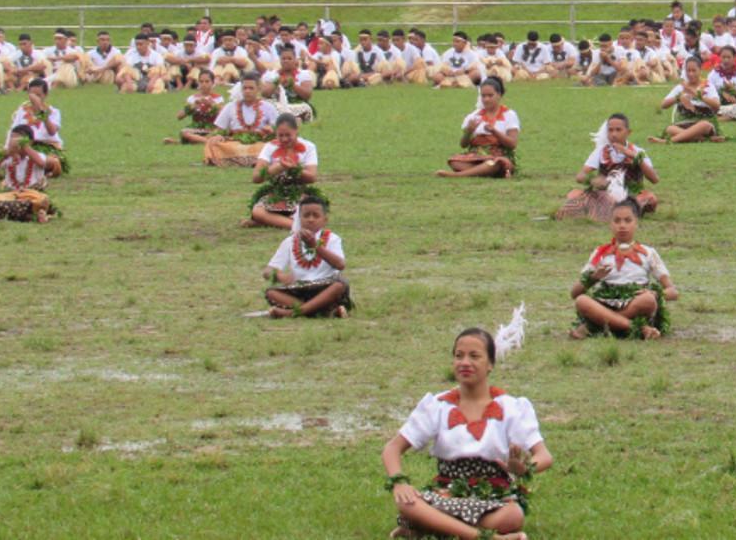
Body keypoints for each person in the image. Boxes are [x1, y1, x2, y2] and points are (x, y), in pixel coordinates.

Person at [381, 327, 552, 540]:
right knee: (407, 503)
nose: (464, 362)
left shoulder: (511, 407)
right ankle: (488, 538)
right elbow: (392, 448)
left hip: (492, 496)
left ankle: (432, 527)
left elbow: (544, 456)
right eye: (458, 356)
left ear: (490, 364)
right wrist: (400, 482)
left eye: (474, 356)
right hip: (446, 494)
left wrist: (523, 468)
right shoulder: (438, 405)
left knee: (513, 516)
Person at [569, 199, 679, 339]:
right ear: (610, 224)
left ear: (636, 223)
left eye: (628, 220)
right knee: (582, 301)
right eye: (617, 221)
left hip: (635, 305)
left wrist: (655, 294)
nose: (622, 226)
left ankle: (596, 327)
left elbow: (673, 292)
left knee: (648, 301)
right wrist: (594, 278)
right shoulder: (600, 253)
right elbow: (575, 293)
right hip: (605, 303)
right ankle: (638, 328)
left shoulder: (648, 253)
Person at [261, 196, 353, 319]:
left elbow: (340, 265)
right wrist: (280, 276)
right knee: (271, 292)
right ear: (299, 219)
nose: (311, 219)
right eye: (306, 215)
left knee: (340, 285)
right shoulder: (290, 241)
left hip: (325, 287)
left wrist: (315, 245)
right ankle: (322, 311)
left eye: (316, 215)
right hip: (299, 289)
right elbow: (268, 271)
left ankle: (293, 313)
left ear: (325, 220)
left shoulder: (332, 238)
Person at [557, 114, 660, 221]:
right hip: (605, 195)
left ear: (628, 132)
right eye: (610, 130)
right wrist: (593, 180)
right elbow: (580, 176)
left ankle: (612, 211)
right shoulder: (601, 152)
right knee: (574, 195)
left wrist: (635, 157)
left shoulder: (638, 152)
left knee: (649, 198)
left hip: (632, 195)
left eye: (618, 130)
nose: (614, 134)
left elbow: (654, 179)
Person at [245, 114, 323, 230]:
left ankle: (271, 221)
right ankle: (295, 226)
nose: (284, 139)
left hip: (299, 193)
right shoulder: (270, 147)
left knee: (309, 211)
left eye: (288, 135)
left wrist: (294, 169)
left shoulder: (309, 147)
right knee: (258, 211)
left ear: (296, 131)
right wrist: (278, 167)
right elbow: (256, 177)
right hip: (275, 194)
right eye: (280, 135)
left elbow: (312, 177)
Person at [441, 79, 520, 179]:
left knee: (494, 163)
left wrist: (494, 131)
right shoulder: (474, 116)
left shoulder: (509, 115)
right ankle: (483, 171)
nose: (486, 99)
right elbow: (463, 145)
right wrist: (469, 132)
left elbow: (512, 144)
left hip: (498, 157)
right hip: (476, 157)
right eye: (483, 96)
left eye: (490, 95)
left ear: (499, 95)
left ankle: (459, 175)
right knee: (454, 161)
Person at [0, 125, 58, 222]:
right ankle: (29, 216)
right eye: (12, 139)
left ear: (30, 142)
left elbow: (41, 163)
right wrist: (6, 154)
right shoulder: (8, 158)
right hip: (11, 196)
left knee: (38, 201)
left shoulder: (35, 156)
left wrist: (26, 147)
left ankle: (33, 214)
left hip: (32, 195)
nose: (14, 142)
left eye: (18, 140)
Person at [650, 58, 723, 144]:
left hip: (703, 124)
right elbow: (663, 105)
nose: (691, 74)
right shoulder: (681, 87)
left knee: (705, 125)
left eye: (694, 71)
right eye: (688, 71)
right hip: (685, 124)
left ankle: (668, 141)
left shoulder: (708, 86)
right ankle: (700, 139)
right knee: (670, 129)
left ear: (700, 71)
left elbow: (717, 105)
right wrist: (678, 97)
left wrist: (698, 95)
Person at [202, 85, 278, 167]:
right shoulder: (231, 106)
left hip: (260, 143)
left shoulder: (268, 107)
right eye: (245, 88)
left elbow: (278, 130)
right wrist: (219, 135)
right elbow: (219, 129)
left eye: (251, 88)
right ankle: (257, 160)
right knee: (213, 143)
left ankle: (252, 160)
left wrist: (271, 130)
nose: (247, 91)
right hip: (235, 143)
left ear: (258, 90)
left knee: (270, 146)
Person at [7, 78, 67, 176]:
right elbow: (14, 132)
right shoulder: (22, 111)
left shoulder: (53, 112)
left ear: (45, 95)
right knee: (9, 159)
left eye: (38, 95)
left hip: (47, 146)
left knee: (52, 162)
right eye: (32, 95)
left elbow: (52, 131)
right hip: (26, 145)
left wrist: (41, 111)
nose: (35, 98)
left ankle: (42, 168)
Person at [165, 69, 226, 145]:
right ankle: (207, 141)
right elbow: (179, 116)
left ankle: (182, 142)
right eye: (201, 81)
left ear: (212, 83)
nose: (204, 84)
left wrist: (212, 104)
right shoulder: (193, 98)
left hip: (212, 128)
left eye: (207, 81)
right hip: (196, 129)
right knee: (184, 132)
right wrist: (193, 106)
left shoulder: (218, 98)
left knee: (219, 133)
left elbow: (224, 115)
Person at [262, 48, 316, 120]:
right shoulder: (272, 75)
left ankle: (291, 118)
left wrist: (292, 85)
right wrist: (276, 83)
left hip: (296, 105)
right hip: (277, 105)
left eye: (289, 58)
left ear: (295, 60)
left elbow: (307, 96)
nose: (286, 61)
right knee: (266, 105)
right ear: (280, 60)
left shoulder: (303, 74)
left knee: (306, 108)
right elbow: (264, 94)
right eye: (283, 59)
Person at [704, 47, 736, 120]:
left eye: (729, 57)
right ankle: (731, 116)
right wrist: (722, 94)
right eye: (723, 57)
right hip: (716, 106)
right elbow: (707, 93)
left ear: (735, 58)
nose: (726, 60)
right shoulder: (713, 74)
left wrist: (733, 90)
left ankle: (721, 117)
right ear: (720, 57)